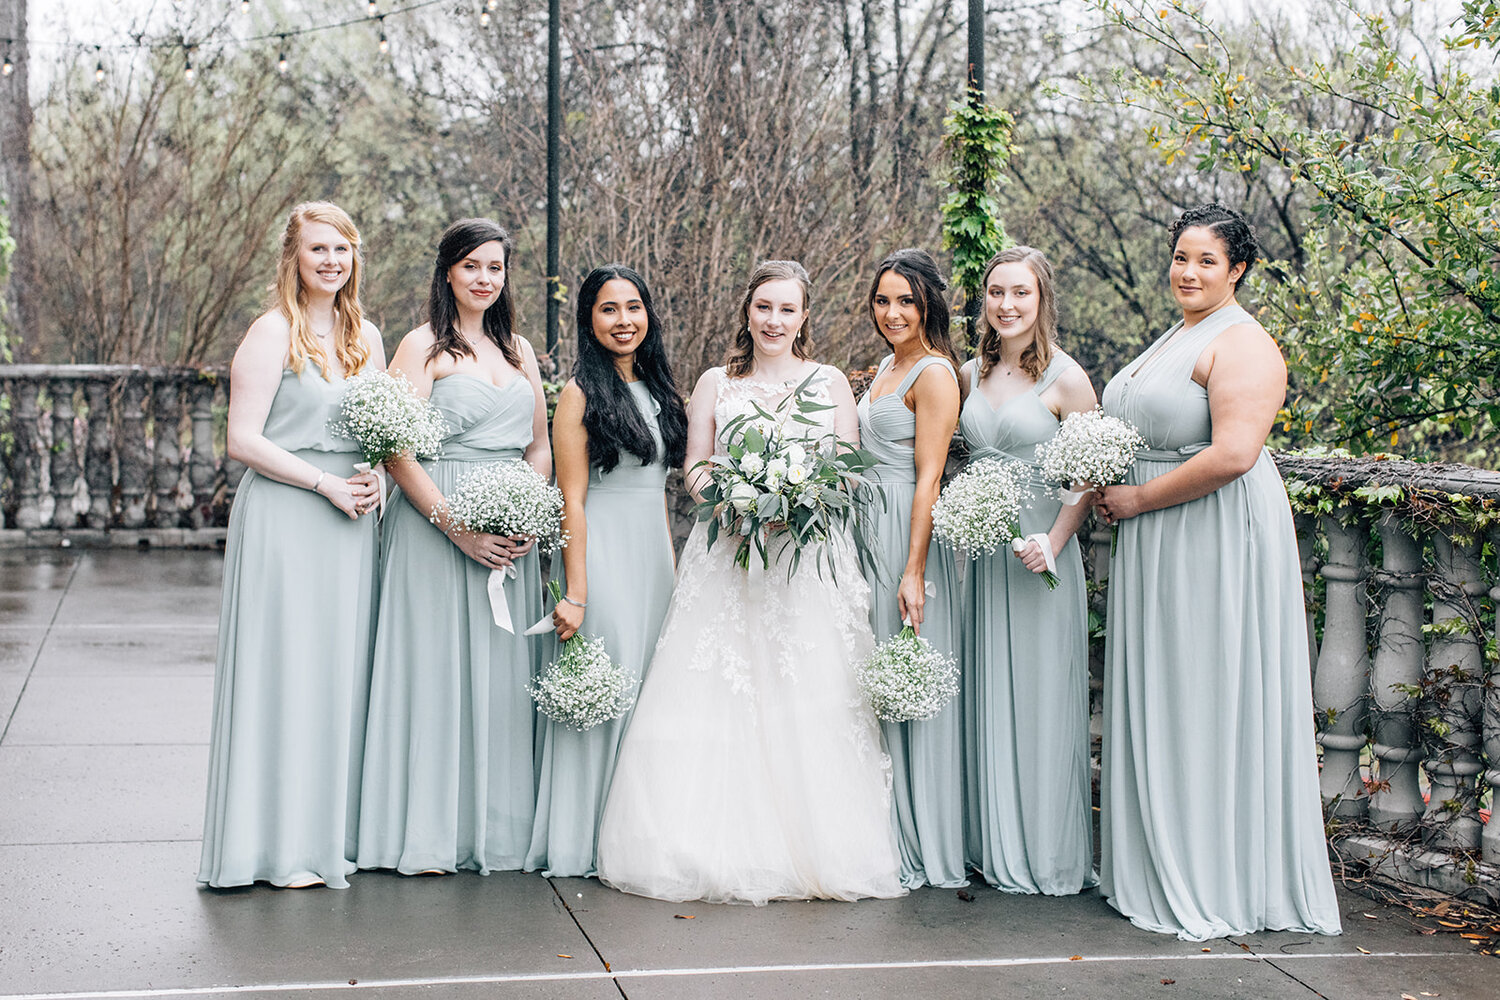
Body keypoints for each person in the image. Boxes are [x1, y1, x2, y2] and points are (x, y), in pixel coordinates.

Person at [595, 260, 904, 904]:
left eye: (787, 309)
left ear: (804, 317)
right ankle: (710, 842)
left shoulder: (830, 383)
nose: (774, 320)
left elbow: (847, 469)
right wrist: (736, 499)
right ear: (748, 311)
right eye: (764, 307)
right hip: (729, 554)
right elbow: (695, 465)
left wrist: (797, 501)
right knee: (721, 691)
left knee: (807, 693)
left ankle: (816, 846)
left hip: (806, 560)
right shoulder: (717, 381)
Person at [1094, 204, 1341, 940]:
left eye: (1205, 260)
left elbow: (1235, 454)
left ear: (1237, 269)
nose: (1188, 272)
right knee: (1167, 690)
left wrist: (1136, 496)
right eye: (1179, 257)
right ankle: (1157, 859)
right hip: (1159, 536)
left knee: (1206, 691)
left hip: (1211, 534)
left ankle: (1216, 873)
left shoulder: (1244, 343)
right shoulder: (1178, 333)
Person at [198, 202, 385, 889]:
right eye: (318, 250)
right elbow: (242, 439)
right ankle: (269, 848)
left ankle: (323, 841)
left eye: (342, 249)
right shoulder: (271, 331)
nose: (332, 261)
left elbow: (379, 432)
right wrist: (323, 483)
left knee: (336, 679)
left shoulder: (366, 334)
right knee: (284, 675)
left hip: (350, 527)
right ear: (294, 259)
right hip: (286, 516)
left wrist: (370, 480)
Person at [357, 218, 551, 875]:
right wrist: (458, 528)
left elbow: (539, 445)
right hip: (434, 529)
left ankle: (494, 834)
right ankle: (425, 833)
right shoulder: (421, 347)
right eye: (472, 266)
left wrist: (528, 506)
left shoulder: (520, 349)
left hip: (508, 534)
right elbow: (394, 449)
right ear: (448, 271)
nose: (484, 279)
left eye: (495, 268)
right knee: (433, 672)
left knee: (500, 681)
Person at [524, 265, 687, 877]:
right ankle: (582, 841)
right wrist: (578, 593)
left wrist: (673, 582)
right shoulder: (579, 394)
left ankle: (634, 839)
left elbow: (660, 496)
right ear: (589, 320)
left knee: (648, 699)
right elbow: (572, 500)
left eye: (634, 307)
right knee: (607, 693)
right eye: (609, 310)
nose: (625, 321)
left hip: (652, 562)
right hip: (602, 564)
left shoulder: (662, 389)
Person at [958, 246, 1097, 895]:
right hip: (981, 565)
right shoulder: (967, 374)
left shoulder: (1065, 379)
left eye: (1020, 293)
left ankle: (1044, 853)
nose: (1007, 305)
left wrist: (1055, 539)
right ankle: (989, 842)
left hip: (1042, 563)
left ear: (1041, 300)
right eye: (996, 292)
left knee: (1041, 702)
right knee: (986, 697)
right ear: (983, 300)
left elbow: (1089, 474)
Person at [855, 248, 966, 890]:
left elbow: (929, 476)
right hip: (864, 520)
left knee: (905, 671)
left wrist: (913, 569)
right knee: (872, 671)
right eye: (882, 300)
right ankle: (880, 826)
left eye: (905, 300)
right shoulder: (883, 367)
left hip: (903, 523)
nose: (892, 312)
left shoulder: (934, 373)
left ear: (929, 304)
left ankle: (921, 835)